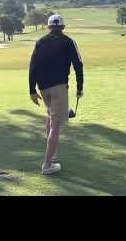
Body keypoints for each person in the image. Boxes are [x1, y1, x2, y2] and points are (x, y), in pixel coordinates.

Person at [28, 14, 83, 175]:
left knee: (51, 118)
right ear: (63, 27)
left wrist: (32, 90)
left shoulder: (40, 42)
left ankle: (52, 155)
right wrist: (79, 87)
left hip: (43, 88)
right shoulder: (68, 42)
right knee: (56, 125)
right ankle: (47, 165)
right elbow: (78, 65)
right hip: (59, 86)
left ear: (48, 27)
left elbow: (33, 67)